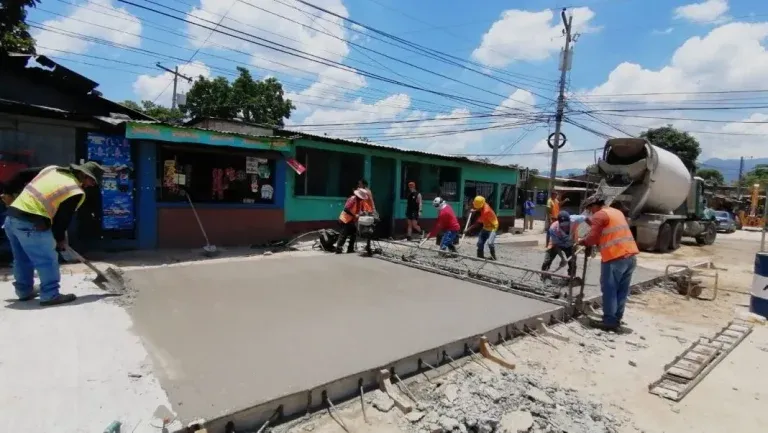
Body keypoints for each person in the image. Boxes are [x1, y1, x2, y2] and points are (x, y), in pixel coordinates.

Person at [4, 162, 105, 306]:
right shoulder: (74, 191)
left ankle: (24, 291)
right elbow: (62, 219)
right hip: (33, 223)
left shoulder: (51, 170)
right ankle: (50, 294)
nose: (92, 185)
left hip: (12, 218)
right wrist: (59, 239)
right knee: (47, 259)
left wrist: (8, 192)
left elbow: (21, 174)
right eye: (92, 181)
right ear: (83, 174)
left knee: (22, 258)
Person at [578, 194, 639, 331]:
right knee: (621, 290)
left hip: (614, 258)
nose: (591, 213)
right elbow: (607, 229)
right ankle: (617, 317)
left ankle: (609, 321)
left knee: (610, 289)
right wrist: (589, 221)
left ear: (594, 205)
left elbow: (592, 238)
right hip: (630, 256)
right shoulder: (616, 212)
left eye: (590, 210)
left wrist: (582, 241)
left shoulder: (599, 215)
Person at [542, 210, 590, 278]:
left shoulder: (574, 219)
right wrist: (562, 258)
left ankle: (571, 278)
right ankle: (544, 276)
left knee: (572, 262)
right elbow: (555, 245)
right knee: (547, 260)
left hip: (569, 244)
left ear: (569, 221)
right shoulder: (553, 229)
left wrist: (593, 229)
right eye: (562, 225)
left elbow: (586, 218)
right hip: (556, 244)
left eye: (567, 225)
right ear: (559, 223)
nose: (565, 227)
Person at [335, 188, 372, 254]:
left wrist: (364, 212)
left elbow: (363, 209)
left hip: (352, 220)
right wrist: (354, 215)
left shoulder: (361, 202)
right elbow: (346, 209)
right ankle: (338, 249)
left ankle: (350, 248)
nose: (362, 199)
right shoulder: (352, 199)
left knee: (354, 234)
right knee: (344, 234)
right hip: (345, 219)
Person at [466, 195, 498, 260]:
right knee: (480, 242)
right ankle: (480, 256)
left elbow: (477, 223)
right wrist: (474, 210)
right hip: (485, 226)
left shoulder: (486, 211)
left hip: (493, 227)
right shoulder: (484, 204)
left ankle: (493, 257)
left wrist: (468, 229)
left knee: (490, 243)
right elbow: (479, 208)